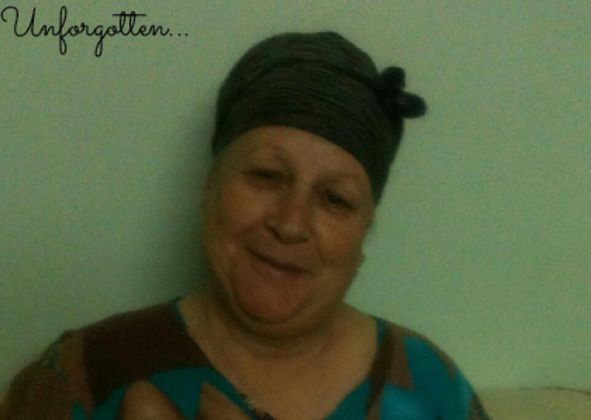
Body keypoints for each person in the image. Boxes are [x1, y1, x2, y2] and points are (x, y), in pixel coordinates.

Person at [1, 32, 490, 420]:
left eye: (335, 199)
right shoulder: (86, 375)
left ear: (363, 234)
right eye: (267, 176)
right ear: (209, 189)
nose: (290, 224)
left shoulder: (431, 387)